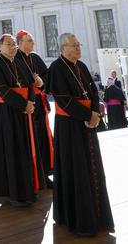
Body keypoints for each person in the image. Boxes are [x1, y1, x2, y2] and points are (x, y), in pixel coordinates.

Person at [48, 33, 114, 236]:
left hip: (88, 123)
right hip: (69, 126)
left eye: (79, 44)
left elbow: (93, 92)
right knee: (75, 169)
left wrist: (94, 113)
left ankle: (98, 215)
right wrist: (87, 114)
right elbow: (63, 100)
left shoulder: (81, 66)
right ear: (62, 48)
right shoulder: (57, 69)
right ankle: (79, 218)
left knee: (92, 168)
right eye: (73, 45)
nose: (78, 48)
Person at [0, 33, 37, 206]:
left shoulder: (20, 62)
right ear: (0, 46)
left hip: (23, 112)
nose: (13, 47)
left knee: (24, 150)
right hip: (7, 113)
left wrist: (31, 102)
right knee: (12, 151)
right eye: (8, 44)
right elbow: (4, 92)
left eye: (14, 44)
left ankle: (27, 190)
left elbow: (31, 85)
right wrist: (25, 105)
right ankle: (14, 194)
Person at [15, 30, 54, 188]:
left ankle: (44, 173)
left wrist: (41, 83)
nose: (33, 43)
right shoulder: (14, 59)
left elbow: (47, 77)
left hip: (39, 103)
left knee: (43, 138)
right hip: (25, 106)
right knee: (28, 139)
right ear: (20, 42)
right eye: (29, 40)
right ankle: (30, 176)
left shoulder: (35, 57)